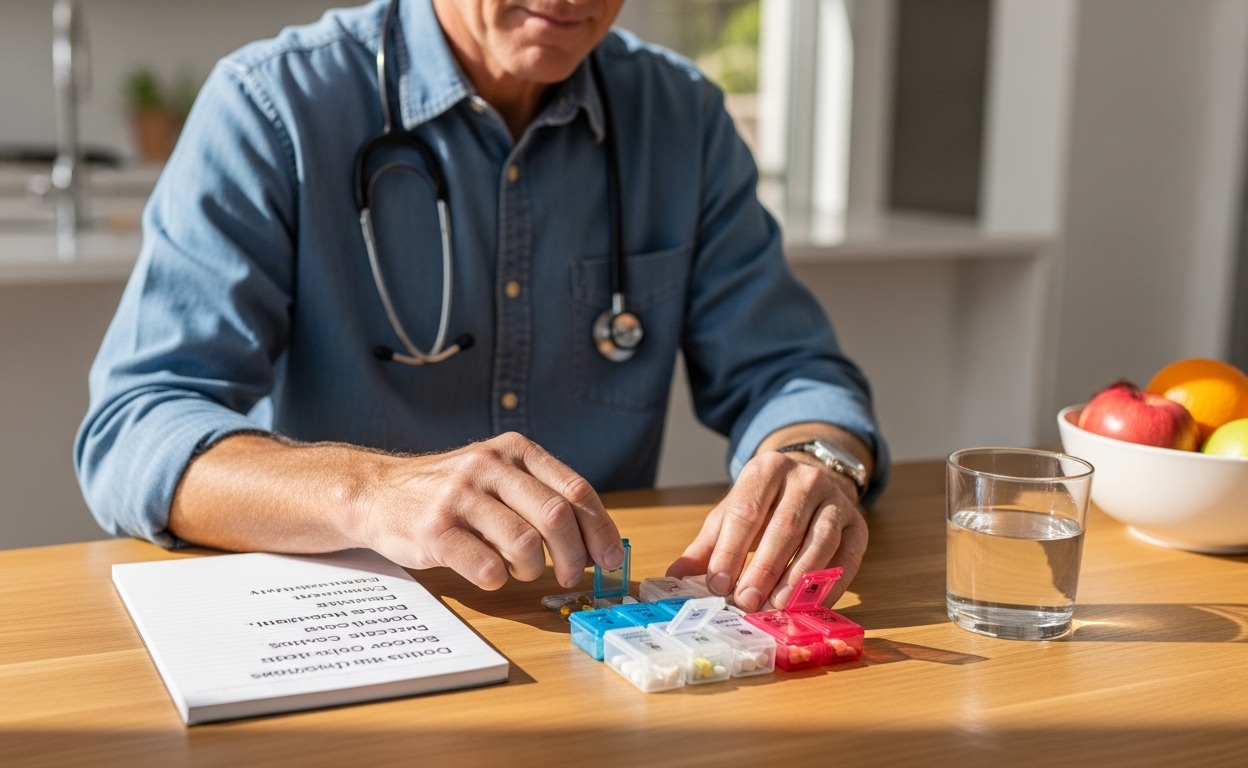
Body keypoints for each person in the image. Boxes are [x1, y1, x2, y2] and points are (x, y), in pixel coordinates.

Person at [75, 0, 888, 613]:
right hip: (348, 626)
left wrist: (819, 464)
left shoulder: (684, 120)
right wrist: (371, 492)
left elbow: (789, 369)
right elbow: (133, 430)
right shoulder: (272, 106)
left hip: (593, 631)